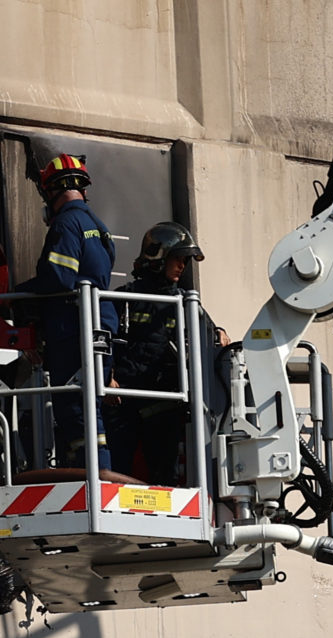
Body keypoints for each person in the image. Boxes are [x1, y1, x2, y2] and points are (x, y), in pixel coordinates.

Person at [107, 221, 229, 483]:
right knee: (116, 475)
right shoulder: (123, 298)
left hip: (162, 403)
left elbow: (209, 334)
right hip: (121, 401)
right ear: (157, 256)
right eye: (177, 258)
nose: (182, 266)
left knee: (165, 476)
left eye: (185, 260)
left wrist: (217, 332)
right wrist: (107, 376)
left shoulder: (186, 302)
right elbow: (101, 340)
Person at [17, 150, 118, 470]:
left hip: (72, 330)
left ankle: (93, 481)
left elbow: (59, 277)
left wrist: (16, 296)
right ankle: (96, 476)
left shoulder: (65, 224)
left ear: (53, 190)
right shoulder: (97, 225)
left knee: (76, 411)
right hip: (100, 327)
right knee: (91, 408)